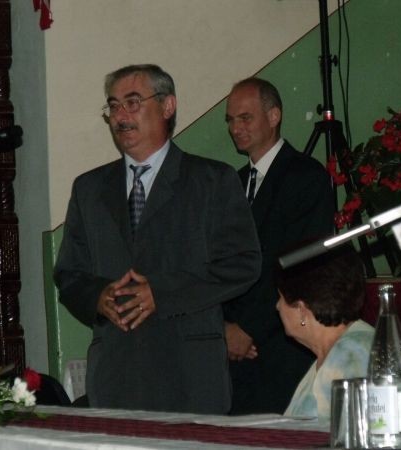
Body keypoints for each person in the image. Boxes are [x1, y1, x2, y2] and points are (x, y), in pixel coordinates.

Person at [54, 64, 261, 414]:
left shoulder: (212, 180)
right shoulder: (89, 189)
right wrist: (98, 297)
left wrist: (161, 293)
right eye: (113, 106)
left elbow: (242, 263)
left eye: (133, 103)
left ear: (168, 106)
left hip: (189, 377)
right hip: (116, 376)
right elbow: (69, 274)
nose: (121, 116)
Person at [222, 77, 335, 414]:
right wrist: (224, 328)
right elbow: (222, 262)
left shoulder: (306, 176)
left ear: (274, 116)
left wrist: (248, 328)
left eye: (245, 118)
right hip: (234, 350)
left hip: (281, 345)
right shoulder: (234, 183)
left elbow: (298, 263)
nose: (236, 128)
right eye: (231, 120)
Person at [275, 244, 374, 422]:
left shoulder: (351, 354)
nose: (277, 306)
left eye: (280, 298)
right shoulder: (336, 350)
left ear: (301, 310)